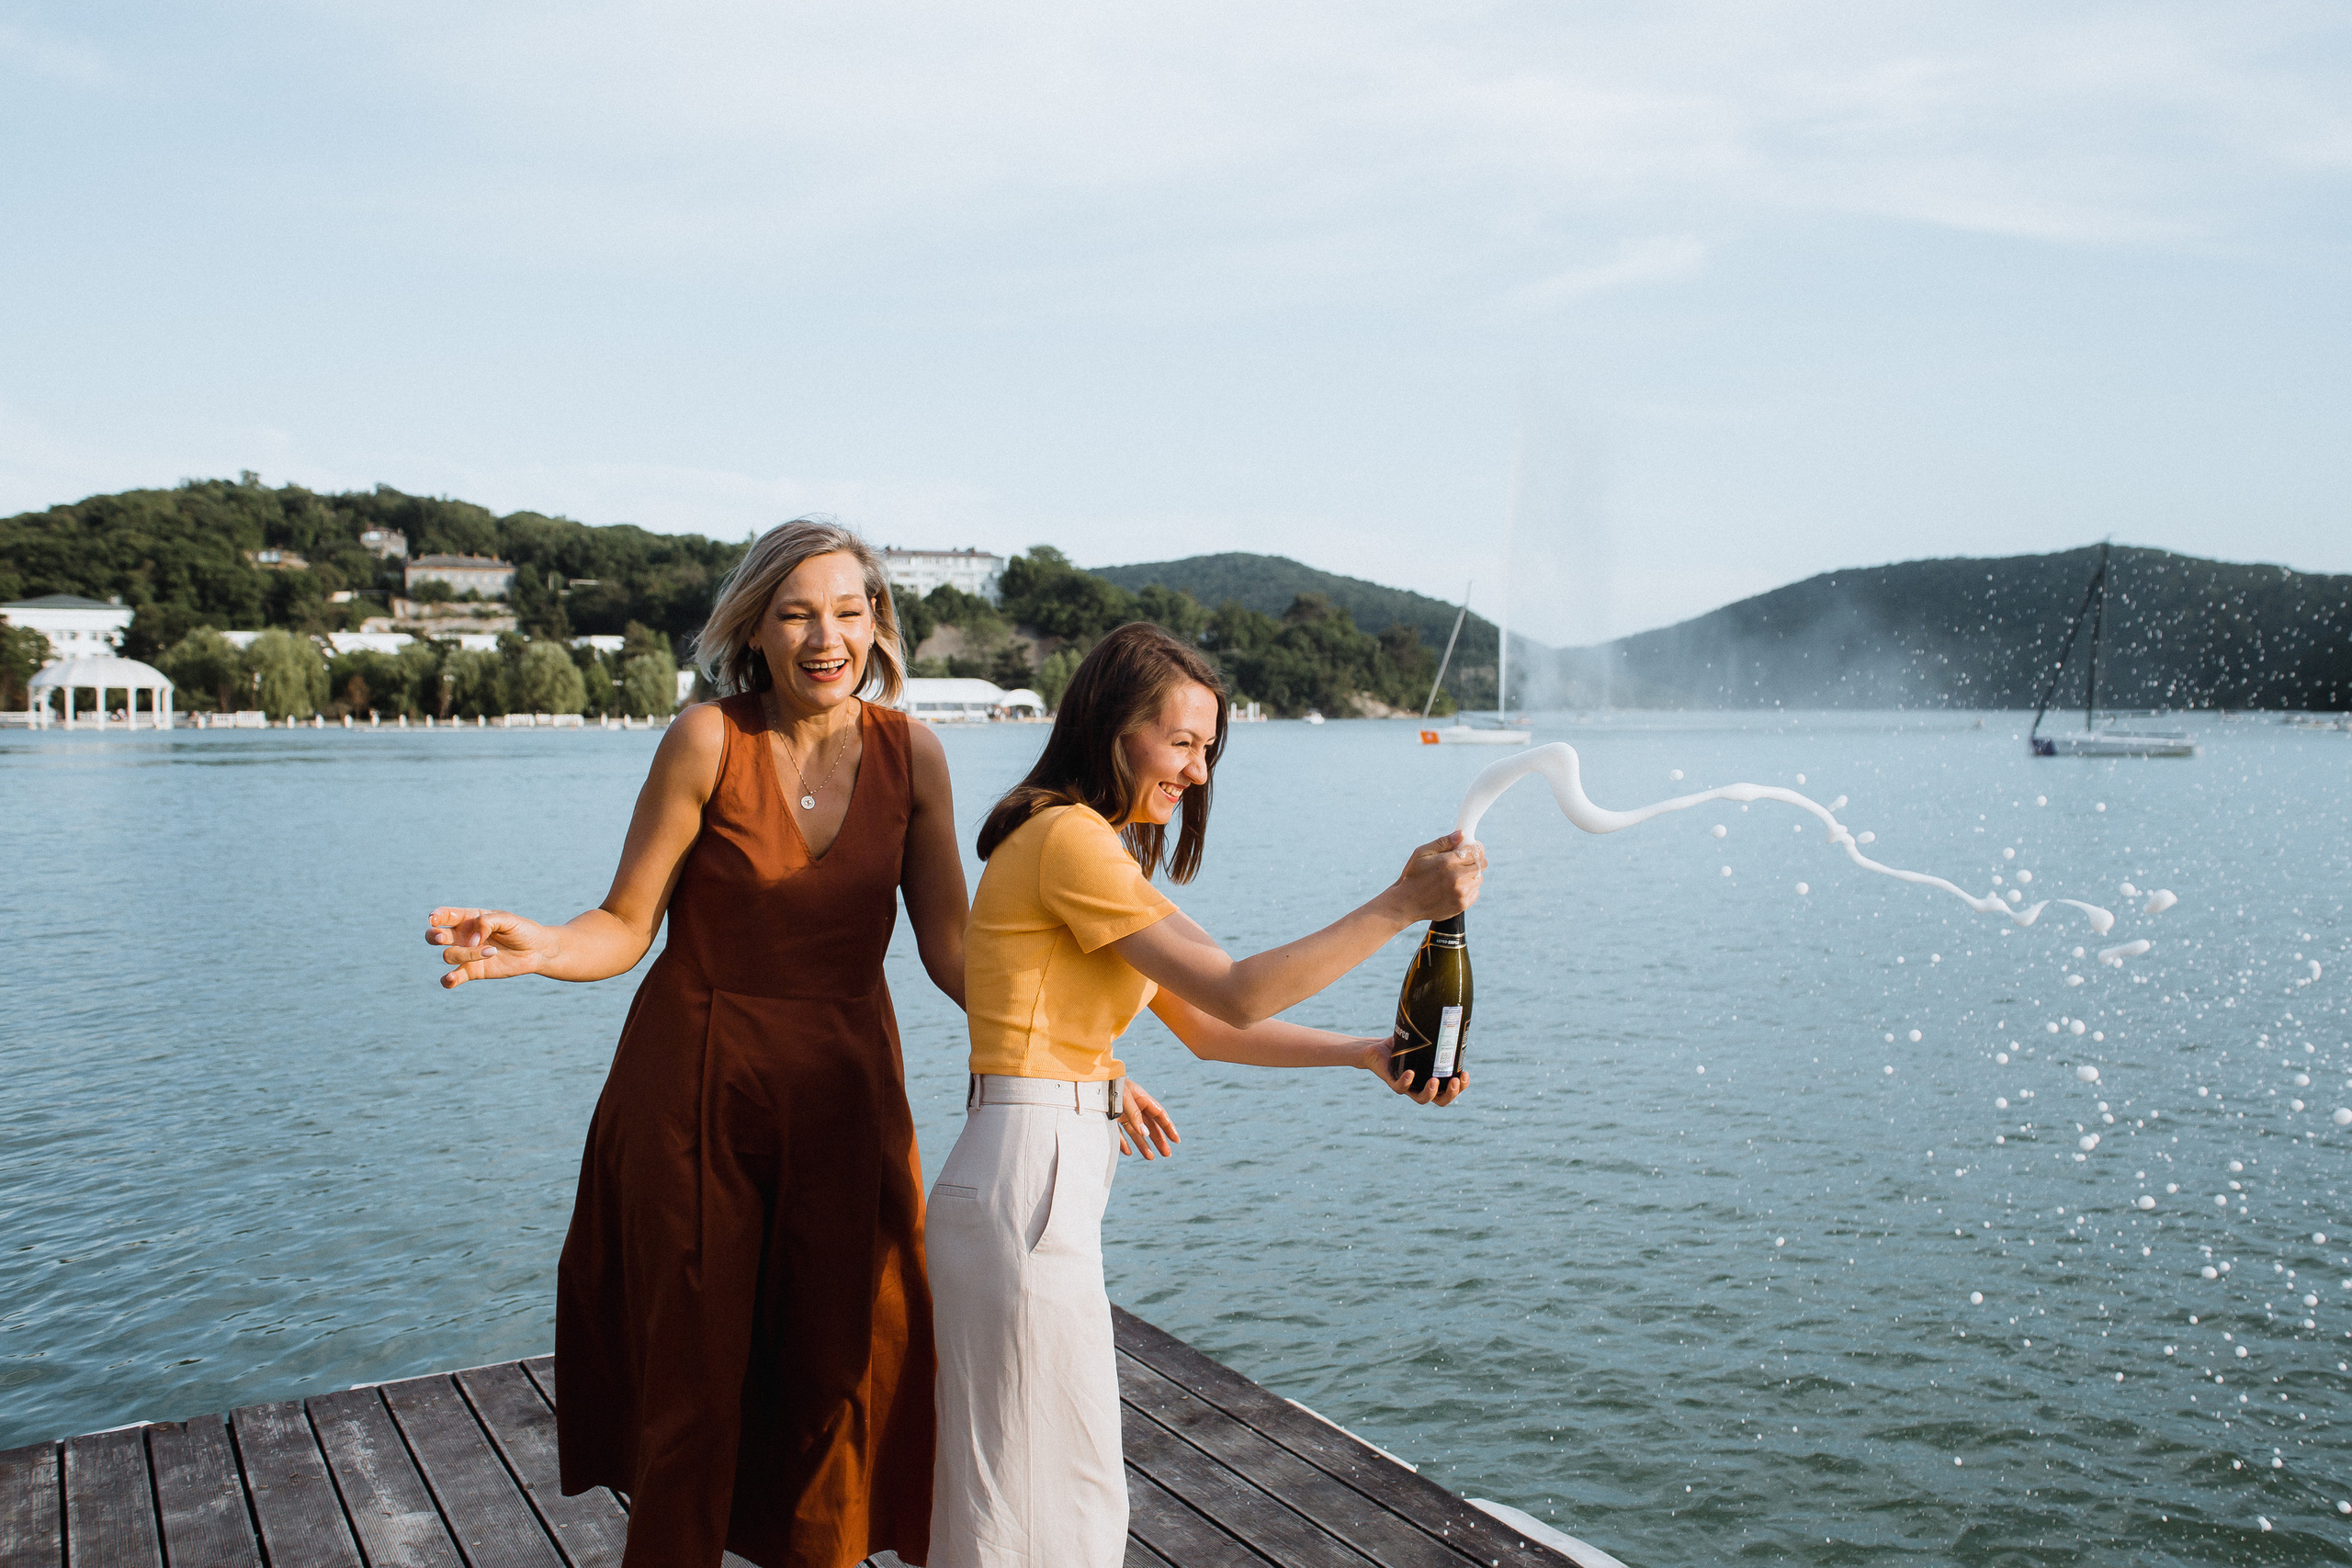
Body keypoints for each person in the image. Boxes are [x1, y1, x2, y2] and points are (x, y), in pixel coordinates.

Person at [424, 522, 1184, 1568]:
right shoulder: (705, 740)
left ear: (878, 623)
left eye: (847, 610)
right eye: (796, 613)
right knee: (693, 1380)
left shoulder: (913, 753)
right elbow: (625, 924)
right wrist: (542, 945)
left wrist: (1086, 1064)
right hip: (694, 1088)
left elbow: (962, 957)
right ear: (755, 628)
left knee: (843, 1375)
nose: (825, 637)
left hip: (844, 1093)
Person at [927, 621, 1483, 1568]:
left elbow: (1212, 1027)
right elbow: (1233, 987)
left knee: (1043, 1490)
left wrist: (1362, 1053)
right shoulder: (1068, 841)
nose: (1195, 771)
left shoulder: (1099, 852)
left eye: (1207, 750)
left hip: (1038, 1171)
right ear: (1112, 727)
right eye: (1180, 742)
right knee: (1036, 1503)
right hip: (1029, 1173)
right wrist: (1398, 907)